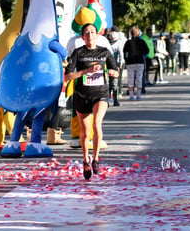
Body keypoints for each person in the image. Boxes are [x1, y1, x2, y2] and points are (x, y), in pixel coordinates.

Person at [64, 23, 119, 180]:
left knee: (97, 124)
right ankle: (86, 160)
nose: (89, 35)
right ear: (82, 37)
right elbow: (68, 76)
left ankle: (95, 160)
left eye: (92, 32)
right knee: (85, 132)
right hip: (82, 95)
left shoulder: (104, 52)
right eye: (86, 33)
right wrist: (85, 71)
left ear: (97, 35)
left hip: (100, 93)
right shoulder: (77, 53)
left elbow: (114, 68)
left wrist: (114, 72)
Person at [124, 26, 149, 101]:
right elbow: (147, 51)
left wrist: (127, 59)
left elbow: (125, 52)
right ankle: (138, 95)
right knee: (139, 78)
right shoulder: (142, 42)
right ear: (138, 33)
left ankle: (131, 95)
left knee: (131, 78)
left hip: (130, 62)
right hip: (140, 61)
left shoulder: (128, 42)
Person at [106, 31, 124, 106]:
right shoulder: (107, 44)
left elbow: (121, 54)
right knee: (112, 83)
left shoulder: (108, 44)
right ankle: (112, 100)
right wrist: (120, 63)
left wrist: (120, 63)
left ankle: (113, 99)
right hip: (111, 66)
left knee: (112, 83)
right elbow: (121, 54)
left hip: (112, 66)